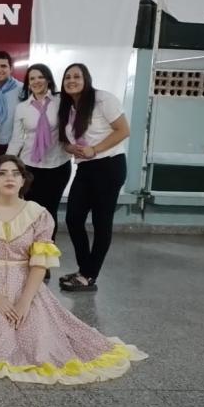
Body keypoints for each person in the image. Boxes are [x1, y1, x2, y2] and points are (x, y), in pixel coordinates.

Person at [0, 155, 147, 383]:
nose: (10, 177)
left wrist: (25, 301)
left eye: (16, 173)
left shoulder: (38, 214)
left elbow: (39, 263)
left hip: (25, 283)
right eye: (2, 173)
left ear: (23, 181)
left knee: (38, 337)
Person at [56, 64, 131, 292]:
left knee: (101, 222)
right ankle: (85, 269)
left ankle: (89, 275)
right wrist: (71, 148)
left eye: (77, 76)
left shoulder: (102, 99)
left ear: (86, 78)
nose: (72, 80)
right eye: (67, 77)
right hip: (86, 168)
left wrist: (95, 149)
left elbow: (123, 130)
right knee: (73, 218)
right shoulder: (68, 107)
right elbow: (67, 140)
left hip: (109, 166)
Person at [6, 63, 71, 282]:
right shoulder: (23, 107)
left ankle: (44, 260)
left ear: (49, 80)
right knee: (30, 213)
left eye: (40, 77)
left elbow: (73, 127)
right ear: (28, 83)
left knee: (49, 213)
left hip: (57, 165)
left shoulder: (61, 102)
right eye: (32, 78)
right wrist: (6, 163)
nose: (36, 81)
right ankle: (27, 255)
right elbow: (17, 138)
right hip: (30, 166)